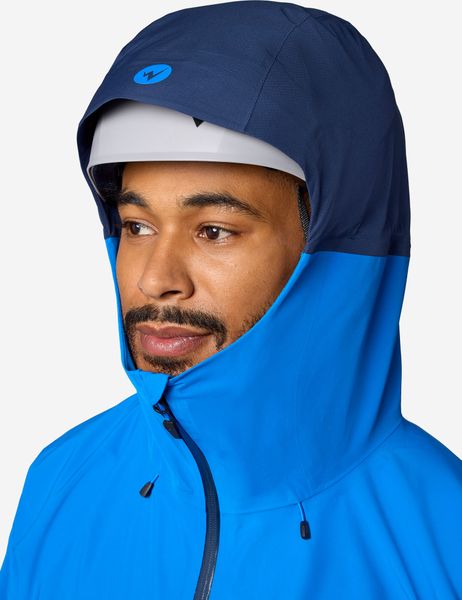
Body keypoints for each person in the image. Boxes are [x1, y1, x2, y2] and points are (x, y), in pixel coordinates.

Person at [1, 2, 461, 598]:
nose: (155, 280)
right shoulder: (60, 478)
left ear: (330, 257)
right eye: (137, 226)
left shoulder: (445, 537)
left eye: (214, 231)